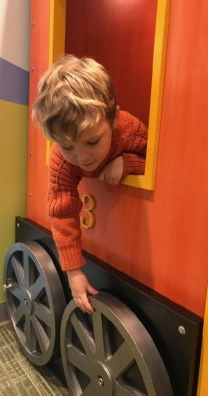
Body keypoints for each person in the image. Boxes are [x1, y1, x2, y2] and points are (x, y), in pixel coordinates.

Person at [32, 55, 147, 313]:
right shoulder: (62, 160)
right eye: (67, 146)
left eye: (93, 141)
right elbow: (62, 210)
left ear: (114, 119)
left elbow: (162, 163)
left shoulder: (130, 131)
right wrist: (73, 271)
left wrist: (129, 163)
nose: (82, 157)